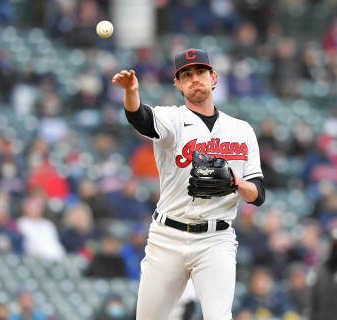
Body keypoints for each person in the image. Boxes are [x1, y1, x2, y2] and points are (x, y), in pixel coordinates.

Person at [112, 48, 265, 320]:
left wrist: (234, 182)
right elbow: (141, 119)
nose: (195, 79)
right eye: (187, 75)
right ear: (178, 84)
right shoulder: (172, 119)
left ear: (213, 77)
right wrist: (131, 93)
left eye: (200, 72)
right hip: (167, 236)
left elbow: (258, 194)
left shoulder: (242, 130)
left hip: (215, 239)